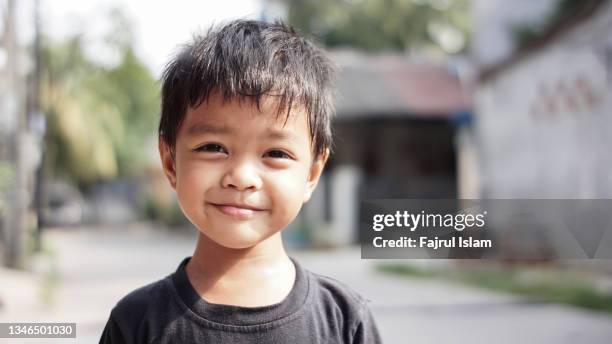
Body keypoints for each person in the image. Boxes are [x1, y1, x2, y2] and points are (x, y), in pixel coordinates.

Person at [99, 19, 382, 344]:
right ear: (170, 162)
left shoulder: (343, 321)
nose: (242, 178)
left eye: (275, 153)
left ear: (312, 174)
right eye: (213, 148)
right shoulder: (136, 323)